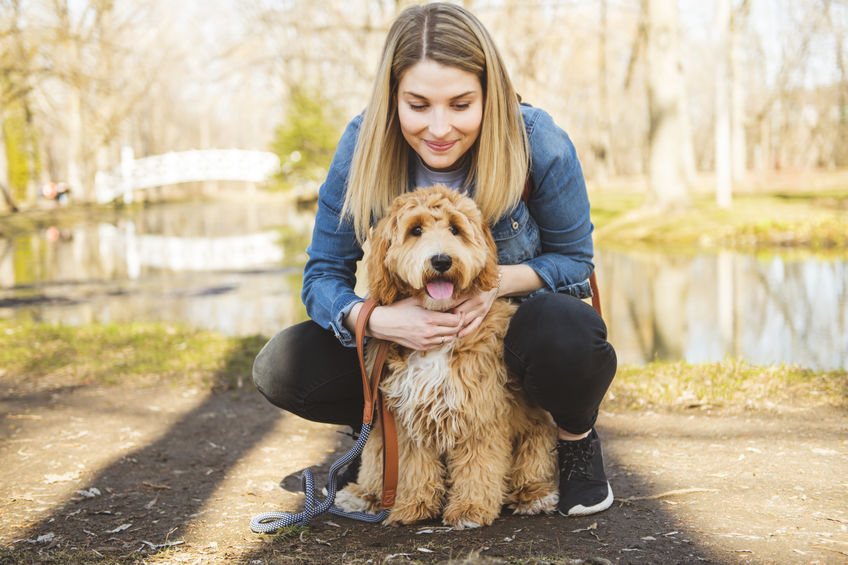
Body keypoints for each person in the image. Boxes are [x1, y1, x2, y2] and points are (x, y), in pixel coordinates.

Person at [253, 2, 617, 518]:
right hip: (399, 335)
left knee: (567, 329)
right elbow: (323, 276)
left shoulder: (538, 141)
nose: (439, 128)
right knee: (284, 364)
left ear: (489, 95)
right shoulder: (361, 146)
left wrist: (494, 284)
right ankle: (391, 440)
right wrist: (378, 319)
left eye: (461, 104)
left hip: (505, 334)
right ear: (393, 98)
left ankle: (573, 439)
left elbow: (576, 261)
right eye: (418, 105)